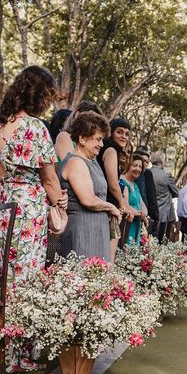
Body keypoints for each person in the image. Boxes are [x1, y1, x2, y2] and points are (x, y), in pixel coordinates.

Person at [0, 65, 68, 374]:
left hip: (4, 206)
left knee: (6, 281)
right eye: (47, 96)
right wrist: (59, 201)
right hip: (29, 208)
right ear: (37, 95)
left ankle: (2, 352)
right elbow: (49, 179)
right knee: (28, 279)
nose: (48, 103)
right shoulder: (35, 127)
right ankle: (22, 355)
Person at [58, 111, 121, 262]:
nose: (101, 144)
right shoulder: (75, 162)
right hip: (82, 231)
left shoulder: (91, 161)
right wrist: (112, 208)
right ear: (82, 139)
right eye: (98, 139)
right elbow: (88, 200)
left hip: (96, 230)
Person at [97, 117, 134, 259]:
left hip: (102, 203)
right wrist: (121, 205)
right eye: (119, 132)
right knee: (109, 254)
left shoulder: (105, 148)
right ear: (110, 132)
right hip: (109, 206)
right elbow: (113, 184)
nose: (123, 136)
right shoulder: (111, 150)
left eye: (126, 134)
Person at [149, 151, 178, 243]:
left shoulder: (146, 173)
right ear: (162, 162)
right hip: (164, 215)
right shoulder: (166, 176)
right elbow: (176, 192)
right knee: (162, 242)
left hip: (149, 214)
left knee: (148, 242)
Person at [119, 154, 147, 246]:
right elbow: (125, 205)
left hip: (136, 223)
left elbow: (142, 205)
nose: (138, 169)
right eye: (134, 165)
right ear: (128, 165)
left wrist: (143, 214)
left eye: (140, 167)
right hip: (126, 224)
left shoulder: (135, 185)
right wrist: (141, 215)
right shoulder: (122, 181)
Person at [133, 148, 159, 224]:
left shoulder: (147, 174)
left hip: (145, 216)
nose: (144, 164)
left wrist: (155, 216)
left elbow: (151, 196)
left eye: (147, 162)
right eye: (143, 161)